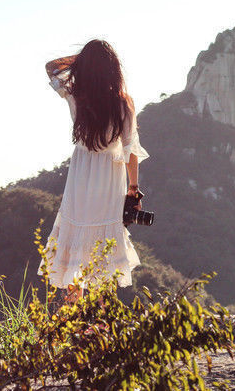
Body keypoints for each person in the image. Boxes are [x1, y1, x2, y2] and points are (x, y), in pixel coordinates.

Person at [37, 39, 149, 306]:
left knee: (76, 235)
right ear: (113, 69)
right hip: (110, 176)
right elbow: (130, 149)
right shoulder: (122, 102)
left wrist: (84, 60)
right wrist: (133, 189)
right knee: (104, 242)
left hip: (81, 174)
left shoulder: (77, 95)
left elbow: (51, 67)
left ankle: (74, 316)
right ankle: (100, 319)